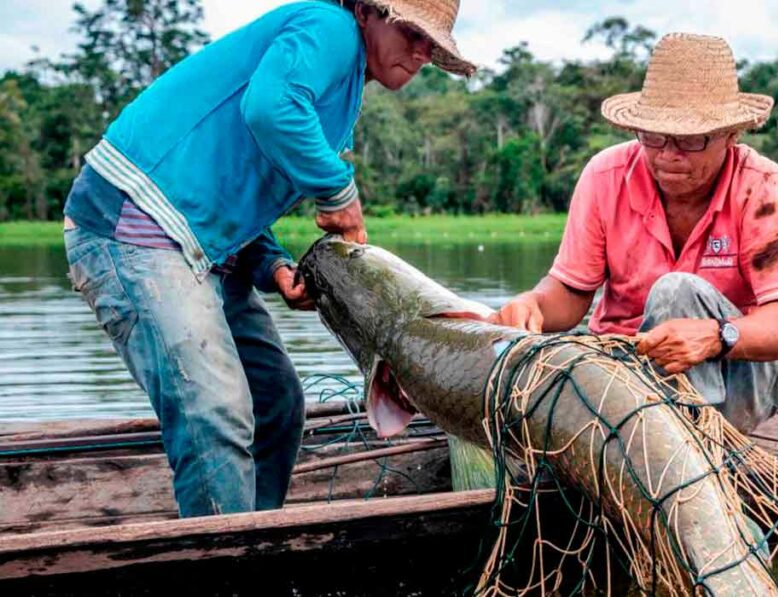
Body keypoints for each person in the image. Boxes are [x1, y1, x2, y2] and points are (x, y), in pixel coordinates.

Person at [61, 0, 475, 517]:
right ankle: (229, 564)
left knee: (276, 403)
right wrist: (338, 192)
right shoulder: (330, 27)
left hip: (201, 249)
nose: (420, 53)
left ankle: (256, 539)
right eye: (412, 32)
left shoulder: (342, 89)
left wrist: (274, 267)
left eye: (431, 44)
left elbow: (236, 192)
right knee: (215, 412)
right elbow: (270, 108)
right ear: (368, 11)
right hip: (133, 227)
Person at [489, 33, 778, 433]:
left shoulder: (762, 186)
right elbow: (572, 293)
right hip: (625, 374)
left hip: (740, 378)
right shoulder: (605, 176)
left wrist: (717, 337)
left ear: (731, 135)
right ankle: (647, 434)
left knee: (677, 291)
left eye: (691, 140)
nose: (668, 155)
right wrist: (534, 304)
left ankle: (693, 441)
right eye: (654, 137)